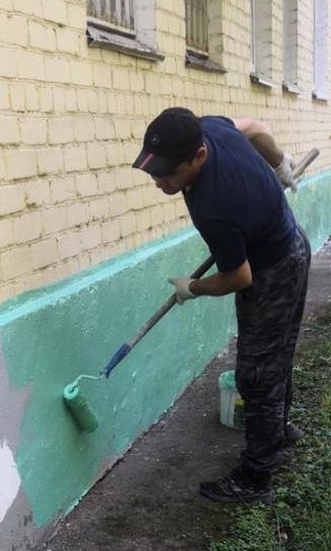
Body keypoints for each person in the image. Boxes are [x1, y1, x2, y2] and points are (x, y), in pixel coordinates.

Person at [132, 107, 311, 503]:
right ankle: (278, 430)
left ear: (198, 156)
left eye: (168, 173)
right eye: (153, 172)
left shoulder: (216, 204)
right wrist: (280, 164)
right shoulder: (210, 129)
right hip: (289, 244)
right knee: (276, 355)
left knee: (257, 374)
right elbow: (255, 127)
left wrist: (192, 287)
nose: (159, 181)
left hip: (273, 270)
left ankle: (256, 476)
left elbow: (239, 277)